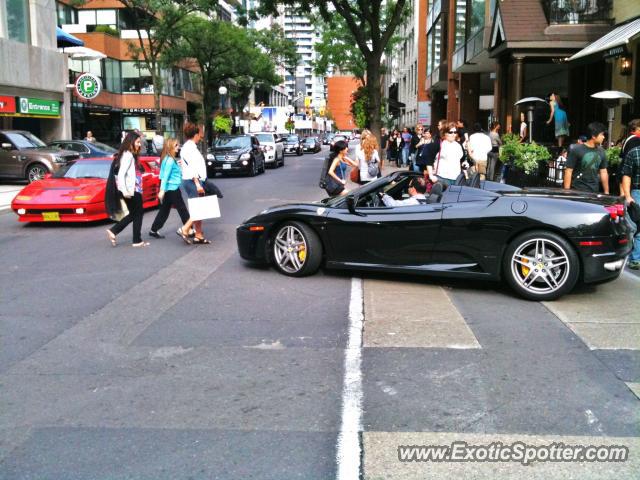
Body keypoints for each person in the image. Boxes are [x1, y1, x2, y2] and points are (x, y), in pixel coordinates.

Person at [105, 132, 149, 247]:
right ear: (131, 142)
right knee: (138, 213)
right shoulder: (128, 155)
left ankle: (114, 231)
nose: (139, 145)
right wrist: (125, 191)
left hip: (133, 189)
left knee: (134, 214)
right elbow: (121, 174)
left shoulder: (129, 154)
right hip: (131, 190)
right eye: (138, 142)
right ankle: (136, 240)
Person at [148, 138, 191, 241]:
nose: (178, 147)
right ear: (170, 147)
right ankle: (190, 229)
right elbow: (165, 176)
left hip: (169, 189)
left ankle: (154, 230)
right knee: (182, 209)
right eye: (176, 145)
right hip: (172, 189)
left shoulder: (168, 158)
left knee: (164, 210)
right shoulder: (170, 160)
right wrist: (162, 191)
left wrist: (179, 166)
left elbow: (170, 174)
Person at [179, 122, 211, 245]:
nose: (200, 136)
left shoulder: (188, 147)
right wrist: (197, 183)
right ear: (195, 134)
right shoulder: (190, 148)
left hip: (191, 180)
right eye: (199, 134)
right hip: (193, 181)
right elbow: (192, 167)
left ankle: (198, 235)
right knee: (199, 208)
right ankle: (185, 228)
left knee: (198, 207)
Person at [563, 122, 609, 194]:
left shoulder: (602, 151)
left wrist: (606, 192)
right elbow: (568, 171)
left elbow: (603, 172)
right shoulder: (576, 150)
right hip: (577, 190)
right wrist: (566, 191)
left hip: (594, 191)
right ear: (593, 136)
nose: (603, 137)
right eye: (602, 134)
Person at [426, 122, 465, 186]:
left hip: (457, 179)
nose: (453, 134)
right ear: (445, 133)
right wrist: (431, 175)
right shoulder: (439, 144)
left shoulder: (458, 145)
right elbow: (428, 160)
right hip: (442, 178)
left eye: (455, 132)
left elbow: (461, 159)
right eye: (450, 132)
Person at [621, 144, 640, 269]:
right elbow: (626, 175)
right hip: (637, 192)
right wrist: (627, 196)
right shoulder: (634, 152)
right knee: (637, 228)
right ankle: (635, 259)